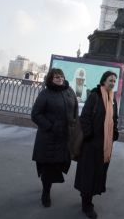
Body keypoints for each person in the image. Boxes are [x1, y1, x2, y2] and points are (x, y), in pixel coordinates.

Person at [74, 71, 120, 219]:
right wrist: (89, 135)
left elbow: (115, 118)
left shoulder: (113, 99)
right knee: (89, 174)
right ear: (103, 81)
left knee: (97, 173)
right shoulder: (95, 96)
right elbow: (85, 117)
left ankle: (87, 197)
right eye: (110, 80)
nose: (112, 83)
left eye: (114, 81)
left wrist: (115, 132)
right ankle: (87, 205)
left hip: (105, 144)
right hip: (91, 144)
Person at [31, 68, 78, 208]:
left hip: (64, 137)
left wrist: (74, 124)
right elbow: (36, 114)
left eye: (61, 77)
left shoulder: (69, 91)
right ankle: (46, 193)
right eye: (56, 77)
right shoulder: (45, 94)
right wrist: (51, 126)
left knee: (59, 164)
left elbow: (75, 109)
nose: (60, 79)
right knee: (48, 166)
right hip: (48, 138)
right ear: (50, 79)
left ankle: (47, 185)